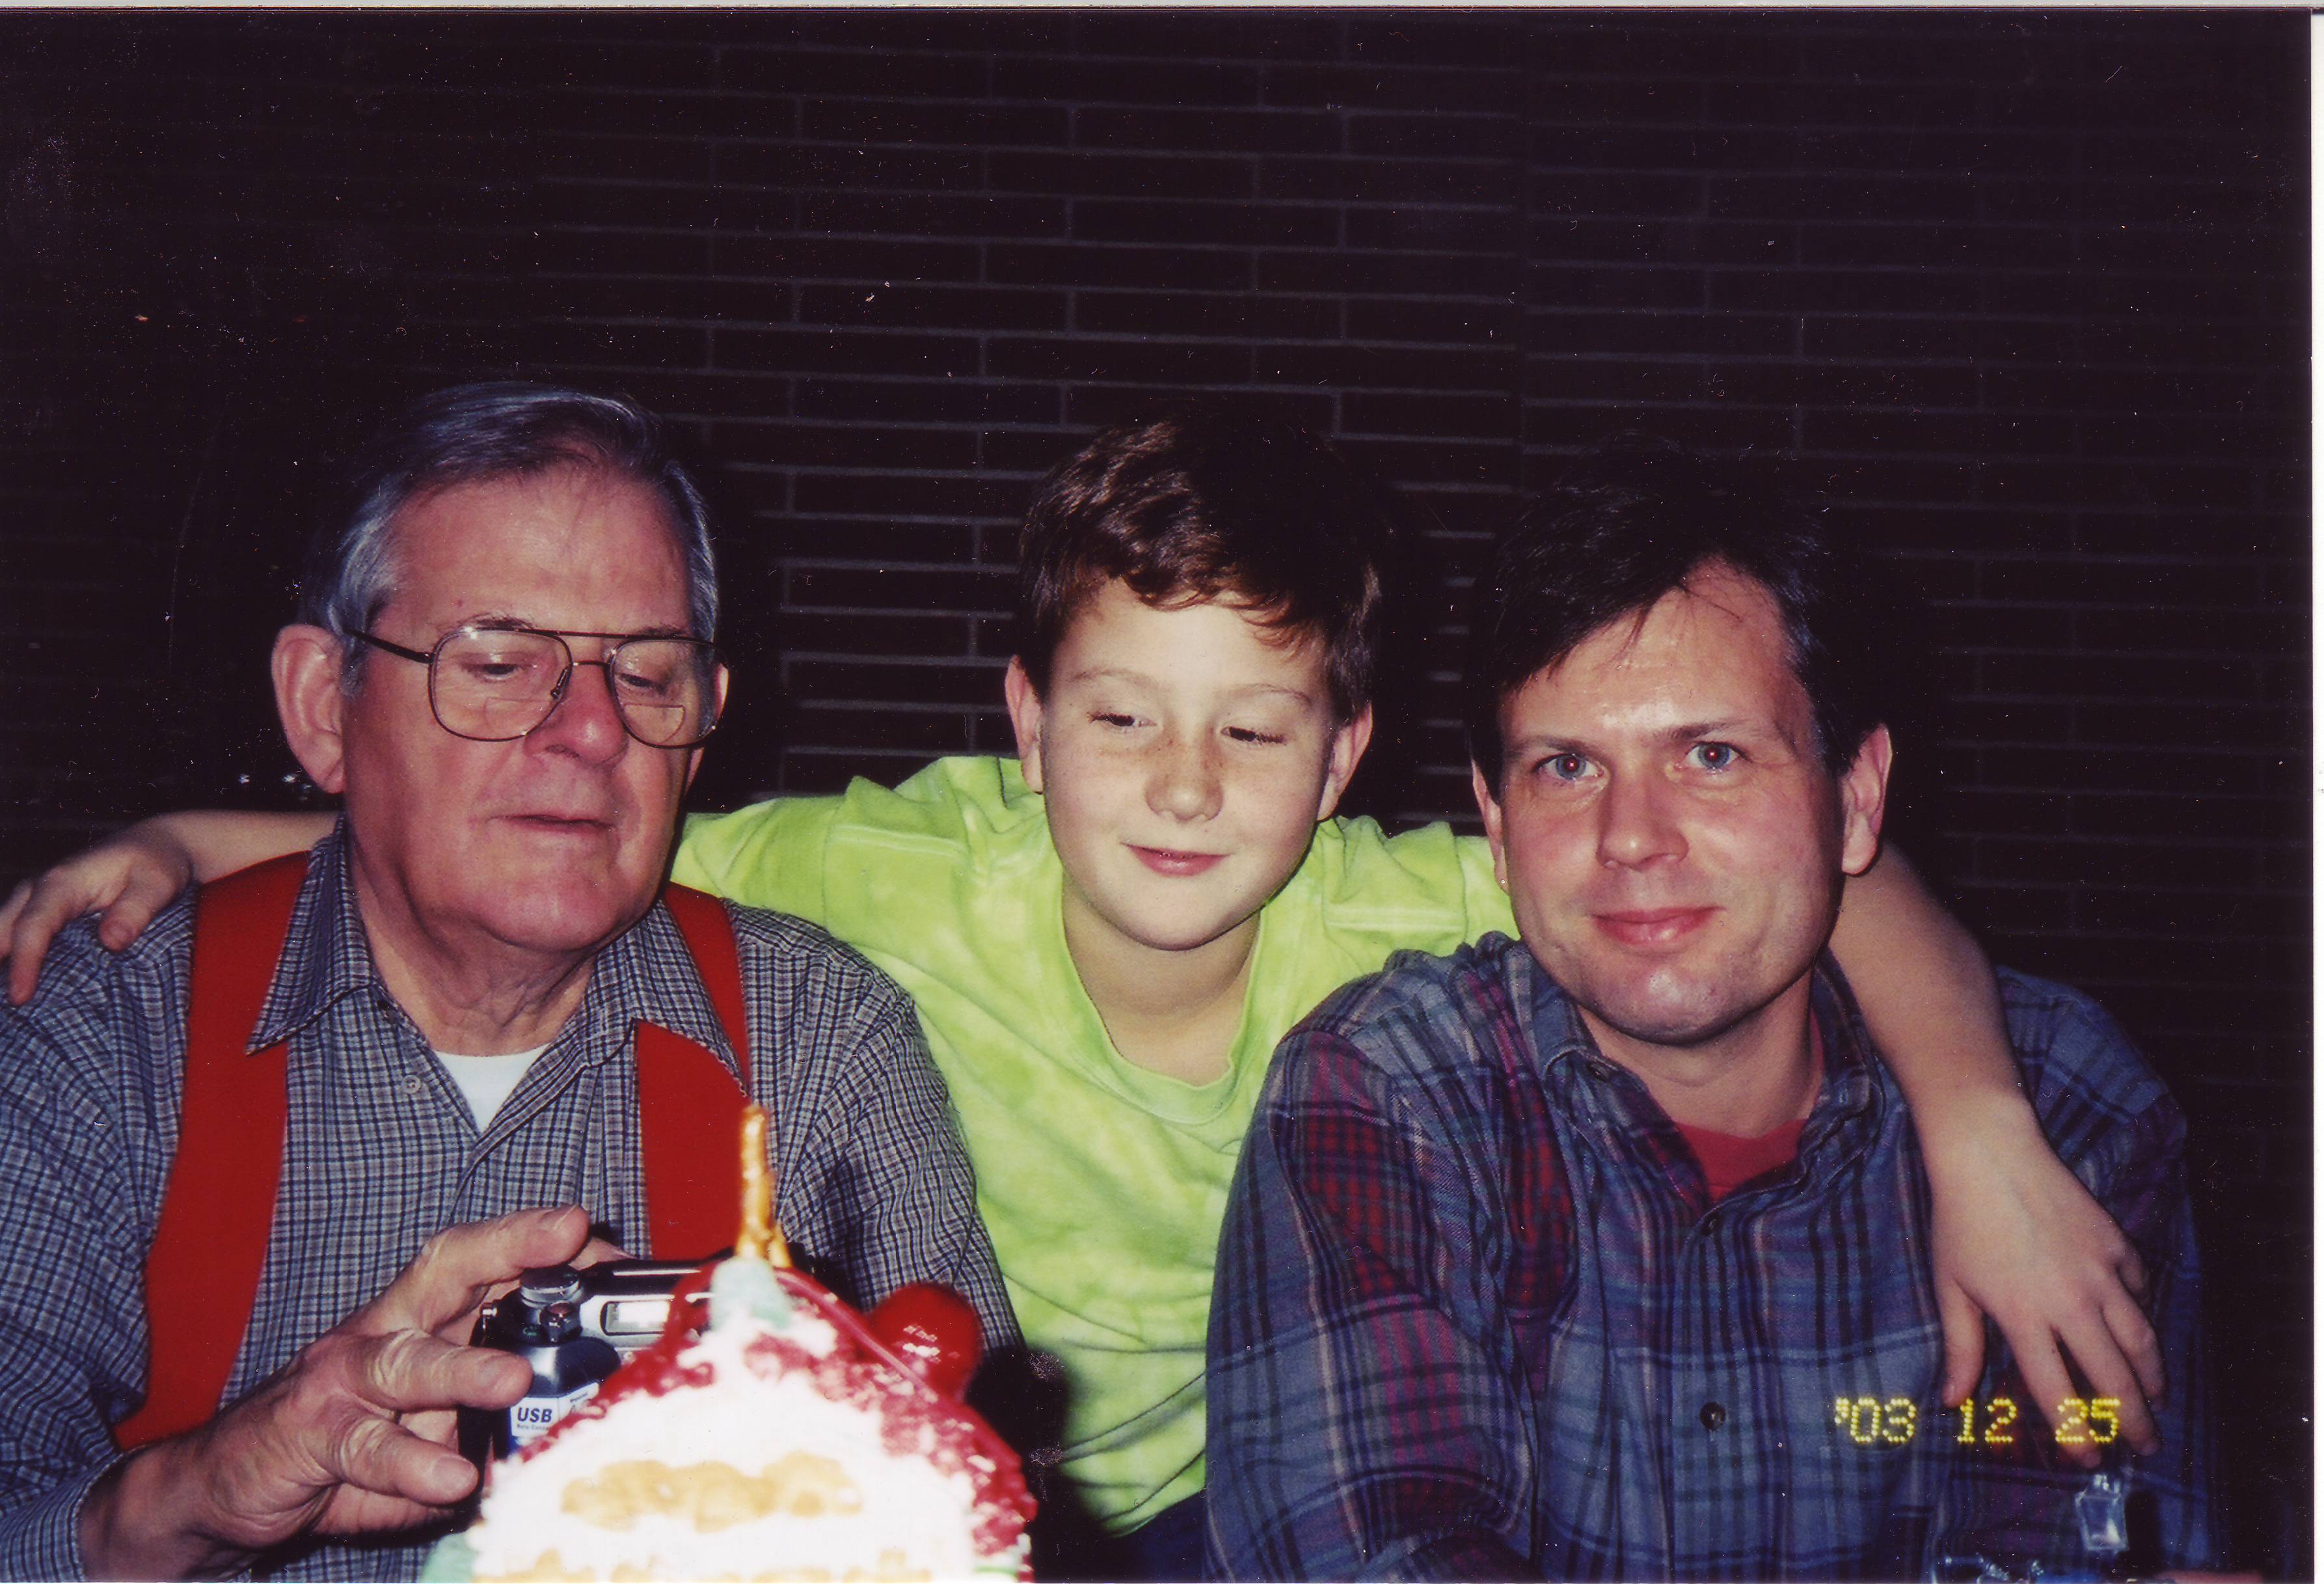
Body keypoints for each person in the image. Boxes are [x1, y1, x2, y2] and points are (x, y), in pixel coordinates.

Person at [4, 411, 2164, 1582]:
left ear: (1340, 762)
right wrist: (195, 849)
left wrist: (1975, 1121)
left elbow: (1761, 877)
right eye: (1123, 718)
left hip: (1241, 1512)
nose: (1183, 786)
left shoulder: (1391, 911)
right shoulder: (888, 872)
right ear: (1022, 727)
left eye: (1252, 733)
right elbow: (561, 815)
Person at [0, 383, 1013, 1581]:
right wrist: (202, 1490)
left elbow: (979, 1507)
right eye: (497, 660)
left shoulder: (817, 1039)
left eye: (646, 672)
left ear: (702, 724)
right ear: (325, 707)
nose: (591, 731)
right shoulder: (109, 1029)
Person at [1203, 442, 2223, 1579]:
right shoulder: (1388, 1094)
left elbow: (2067, 1548)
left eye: (1713, 754)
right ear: (1494, 820)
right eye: (1566, 768)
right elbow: (1381, 1552)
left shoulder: (2070, 1112)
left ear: (1857, 795)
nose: (1633, 835)